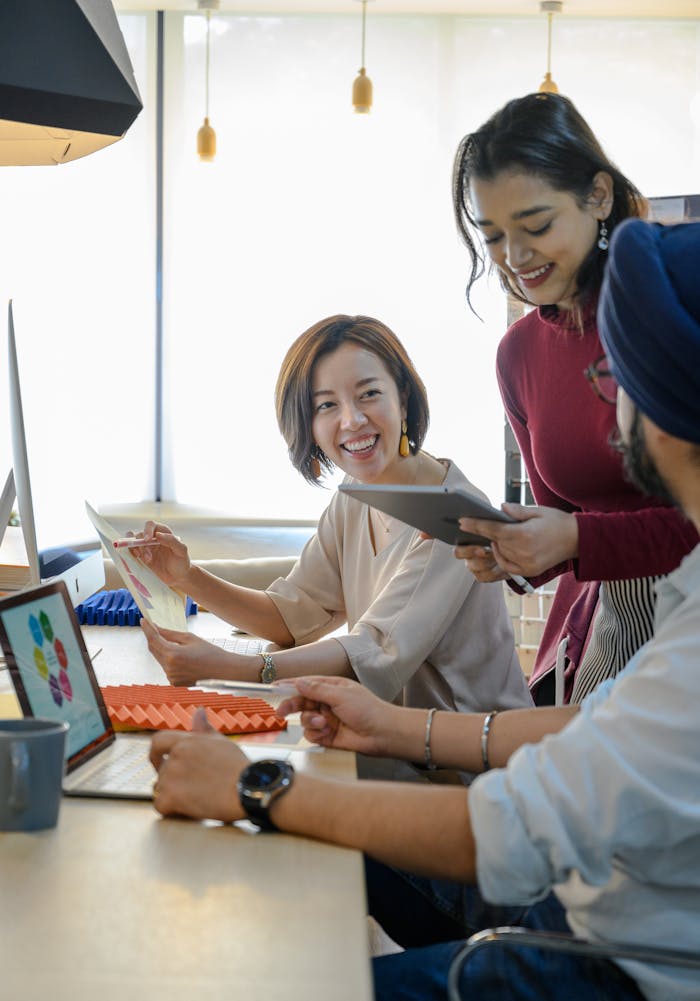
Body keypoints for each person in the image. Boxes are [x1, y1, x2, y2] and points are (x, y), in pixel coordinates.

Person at [150, 218, 700, 1001]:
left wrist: (253, 778)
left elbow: (509, 823)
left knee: (277, 948)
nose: (600, 399)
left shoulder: (449, 507)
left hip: (587, 933)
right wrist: (192, 580)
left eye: (615, 375)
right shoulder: (688, 590)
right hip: (554, 876)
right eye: (326, 405)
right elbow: (601, 723)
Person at [135, 315, 531, 731]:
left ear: (404, 397)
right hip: (399, 743)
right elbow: (291, 618)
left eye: (369, 394)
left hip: (471, 758)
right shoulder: (357, 493)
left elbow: (371, 650)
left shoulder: (454, 518)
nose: (352, 420)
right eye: (327, 405)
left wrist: (236, 668)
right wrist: (187, 577)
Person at [450, 92, 698, 704]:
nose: (515, 258)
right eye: (493, 237)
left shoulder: (669, 302)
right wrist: (519, 551)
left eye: (536, 226)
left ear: (599, 196)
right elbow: (565, 522)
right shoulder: (518, 354)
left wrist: (577, 541)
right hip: (610, 630)